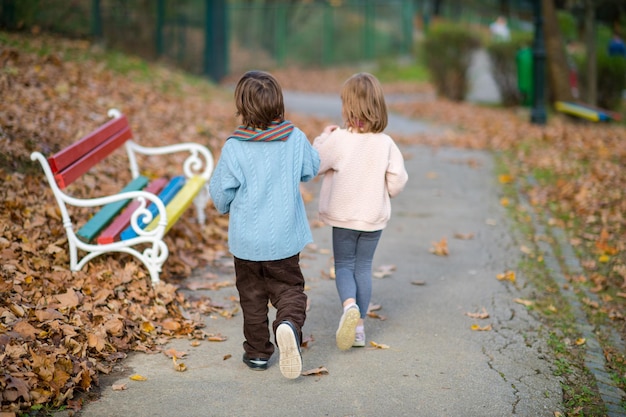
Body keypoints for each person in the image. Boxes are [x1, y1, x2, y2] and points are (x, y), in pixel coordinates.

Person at [209, 70, 320, 379]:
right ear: (278, 104)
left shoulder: (234, 146)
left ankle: (257, 353)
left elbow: (220, 191)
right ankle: (287, 324)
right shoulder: (294, 137)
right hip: (283, 239)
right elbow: (311, 168)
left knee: (252, 297)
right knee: (289, 290)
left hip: (246, 242)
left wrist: (226, 206)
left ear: (242, 107)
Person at [312, 73, 408, 350]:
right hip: (372, 218)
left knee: (343, 265)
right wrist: (386, 191)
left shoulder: (339, 139)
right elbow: (398, 180)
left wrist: (322, 138)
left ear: (347, 107)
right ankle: (359, 329)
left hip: (343, 217)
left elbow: (315, 163)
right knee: (364, 268)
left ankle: (349, 306)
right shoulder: (386, 143)